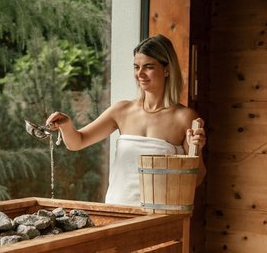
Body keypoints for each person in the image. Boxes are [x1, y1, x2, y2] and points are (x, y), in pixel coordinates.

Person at [45, 34, 206, 206]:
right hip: (117, 210)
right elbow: (77, 142)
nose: (140, 74)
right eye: (136, 67)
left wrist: (197, 150)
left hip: (157, 215)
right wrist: (66, 125)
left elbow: (196, 179)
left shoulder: (184, 118)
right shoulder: (122, 110)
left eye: (148, 67)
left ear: (167, 70)